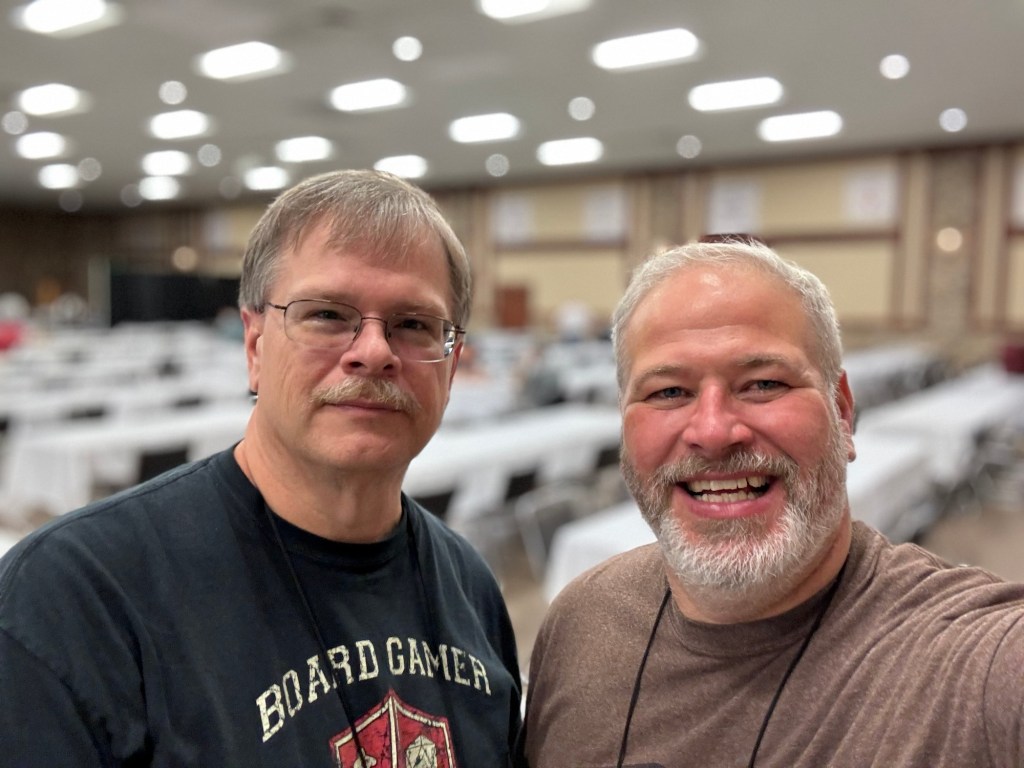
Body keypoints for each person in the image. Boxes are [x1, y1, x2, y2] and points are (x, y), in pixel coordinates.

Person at [0, 170, 523, 766]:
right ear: (254, 347)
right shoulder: (73, 599)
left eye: (414, 325)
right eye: (327, 314)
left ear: (451, 369)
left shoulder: (470, 585)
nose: (374, 351)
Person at [524, 239, 1024, 767]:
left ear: (843, 412)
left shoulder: (974, 666)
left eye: (763, 384)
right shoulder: (579, 623)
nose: (713, 432)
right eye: (668, 392)